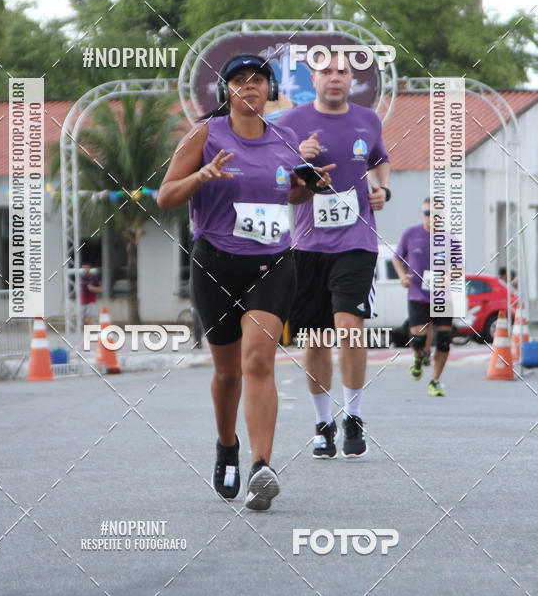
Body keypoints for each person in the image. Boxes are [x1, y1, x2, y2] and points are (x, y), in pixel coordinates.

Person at [157, 54, 333, 510]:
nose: (249, 87)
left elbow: (288, 192)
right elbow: (164, 197)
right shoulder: (205, 134)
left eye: (258, 81)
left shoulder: (285, 137)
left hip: (272, 262)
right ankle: (226, 446)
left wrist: (309, 186)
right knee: (227, 373)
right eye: (239, 81)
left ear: (269, 91)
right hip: (215, 263)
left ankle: (261, 467)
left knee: (258, 360)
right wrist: (202, 174)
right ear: (226, 92)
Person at [280, 52, 390, 459]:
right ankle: (322, 423)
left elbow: (381, 160)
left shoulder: (368, 119)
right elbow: (277, 179)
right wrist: (298, 159)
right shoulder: (289, 123)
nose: (335, 77)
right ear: (313, 78)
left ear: (352, 78)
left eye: (342, 71)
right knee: (318, 337)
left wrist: (383, 190)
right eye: (326, 71)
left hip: (357, 242)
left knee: (349, 326)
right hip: (308, 245)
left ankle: (355, 415)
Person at [392, 198, 455, 396]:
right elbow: (397, 258)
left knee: (444, 339)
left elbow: (458, 266)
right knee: (418, 339)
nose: (431, 218)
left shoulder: (450, 238)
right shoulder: (410, 234)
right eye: (427, 213)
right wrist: (402, 277)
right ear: (423, 214)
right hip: (418, 294)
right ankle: (419, 358)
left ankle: (435, 381)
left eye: (436, 214)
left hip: (443, 296)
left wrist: (449, 277)